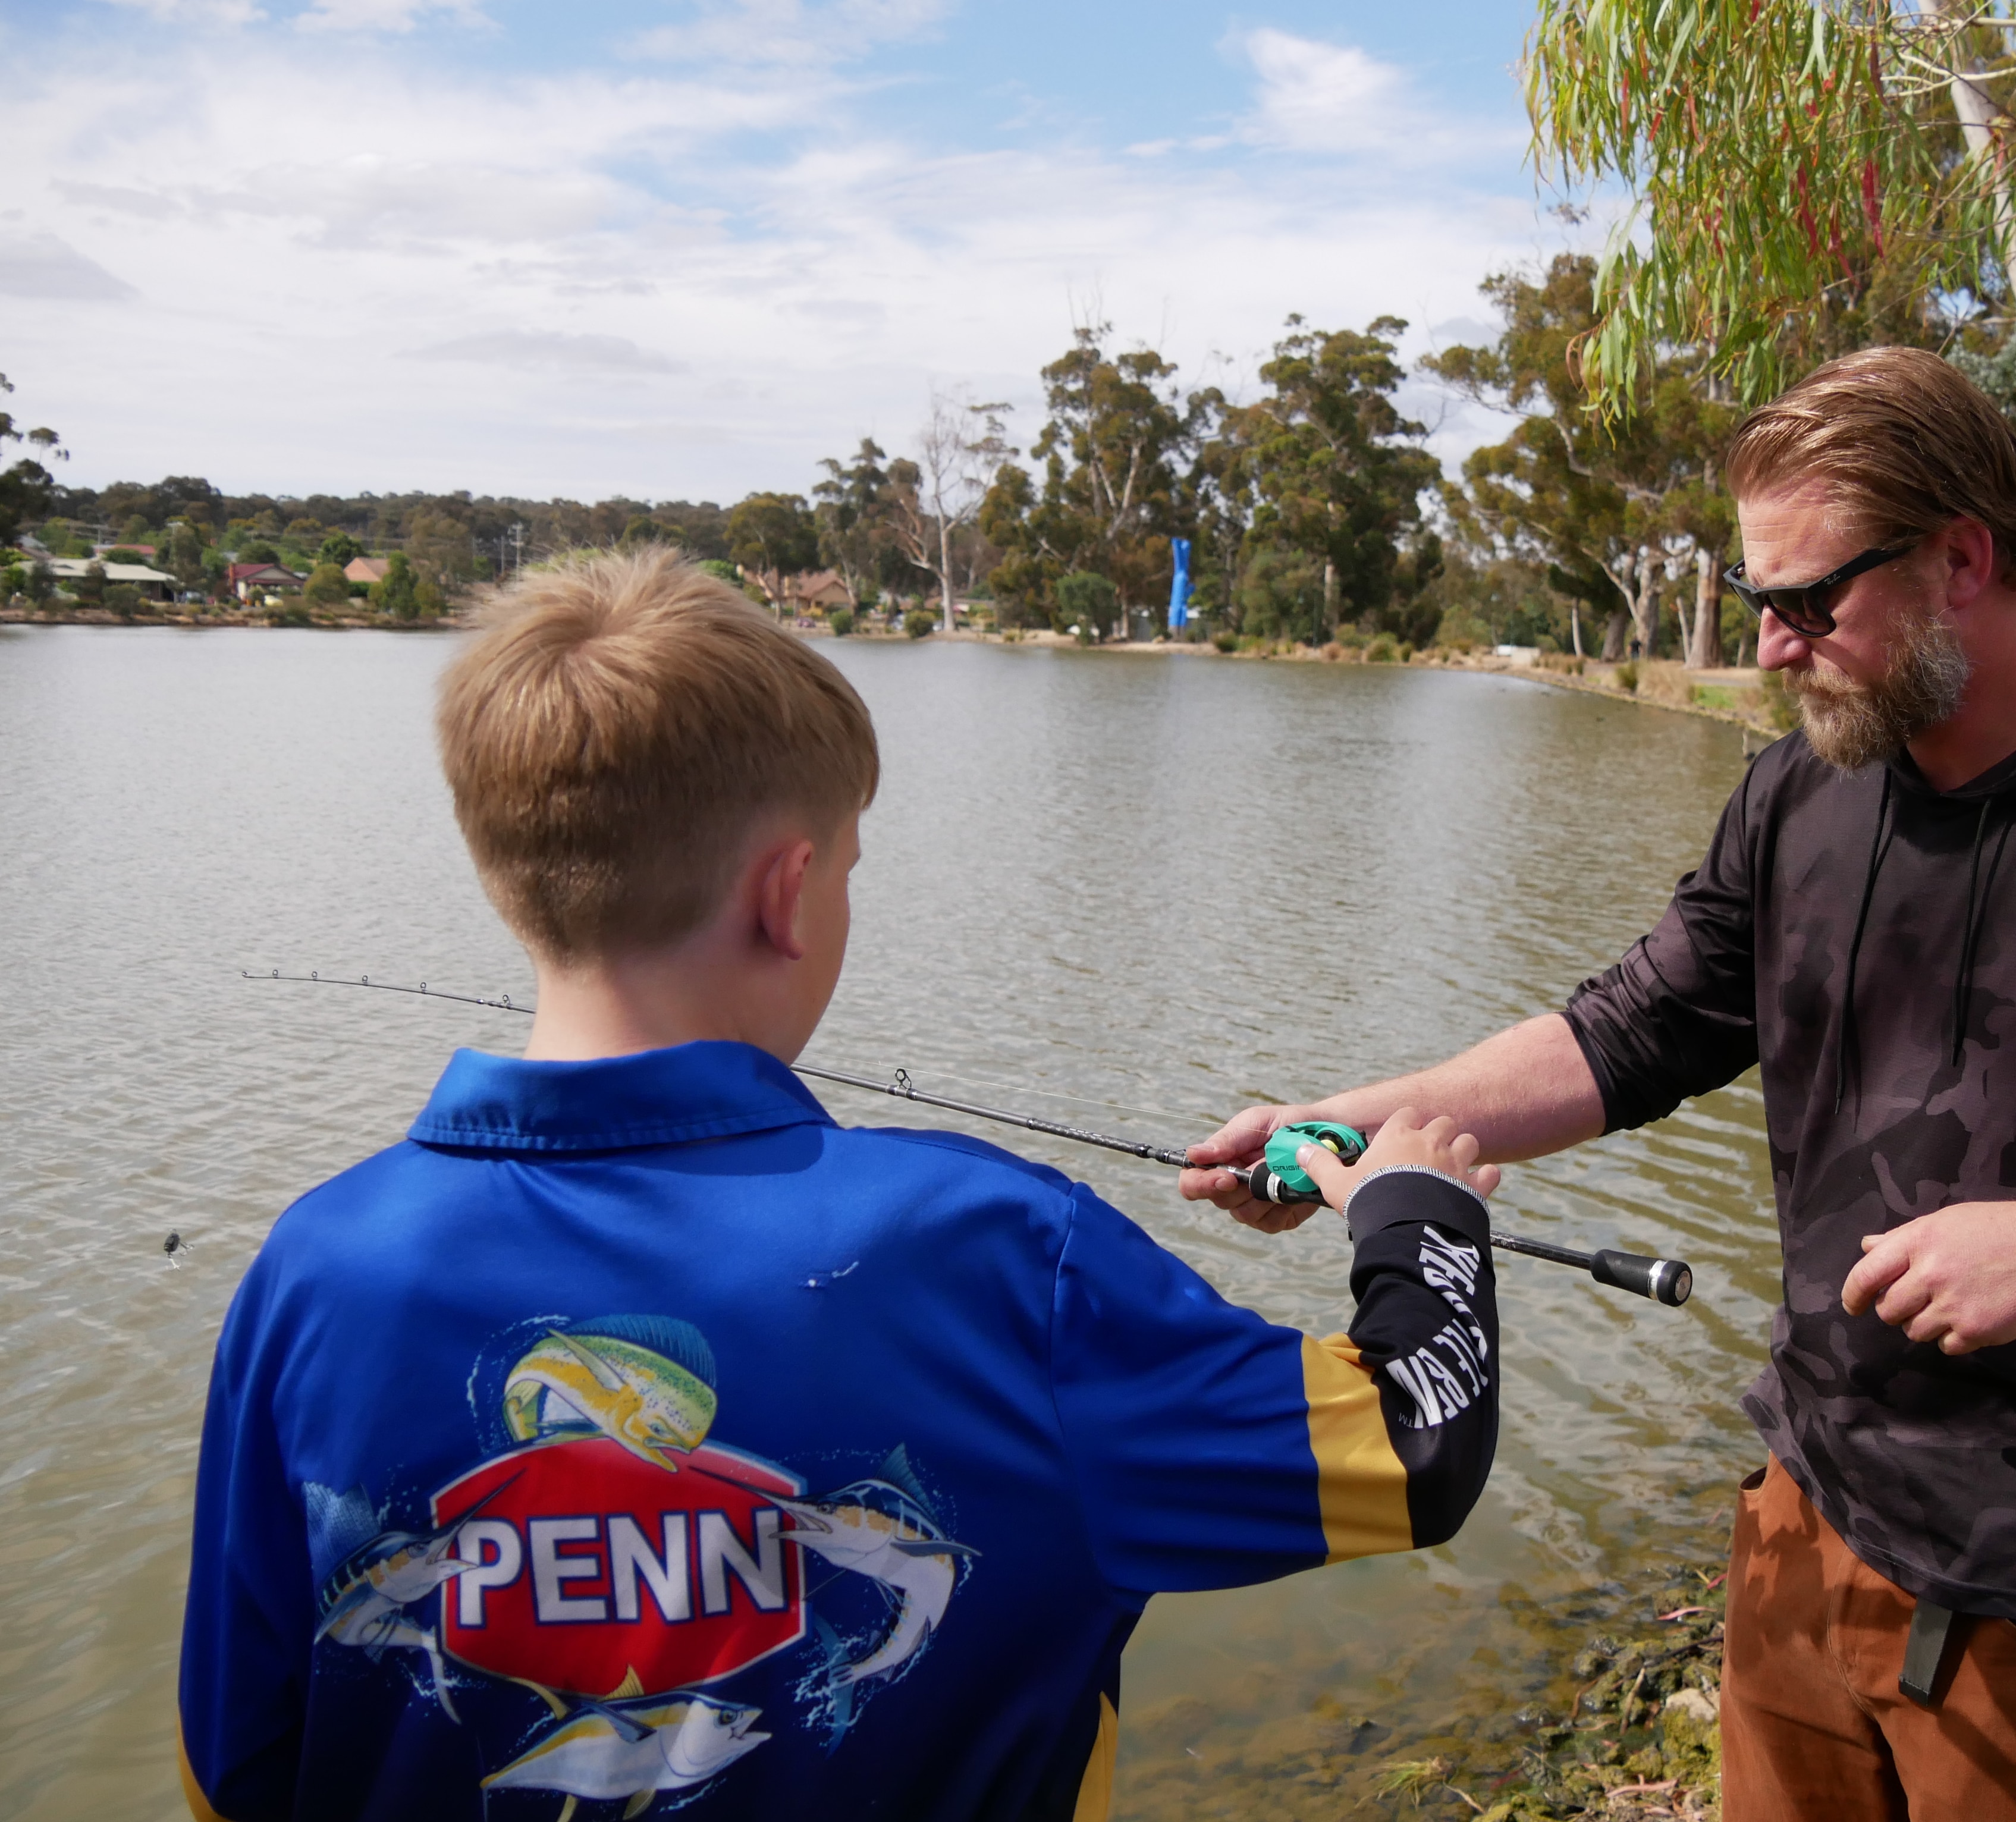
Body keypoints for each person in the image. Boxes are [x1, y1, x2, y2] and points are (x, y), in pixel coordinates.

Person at [1182, 347, 2016, 1822]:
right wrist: (1359, 1123)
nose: (1772, 650)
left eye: (1812, 604)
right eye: (1760, 604)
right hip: (1802, 1525)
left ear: (1961, 559)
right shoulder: (1807, 786)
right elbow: (1631, 1028)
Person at [178, 549, 1502, 1821]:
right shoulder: (993, 1249)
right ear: (790, 892)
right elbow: (1410, 1443)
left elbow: (232, 1766)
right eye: (852, 868)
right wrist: (1415, 1207)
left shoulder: (314, 1272)